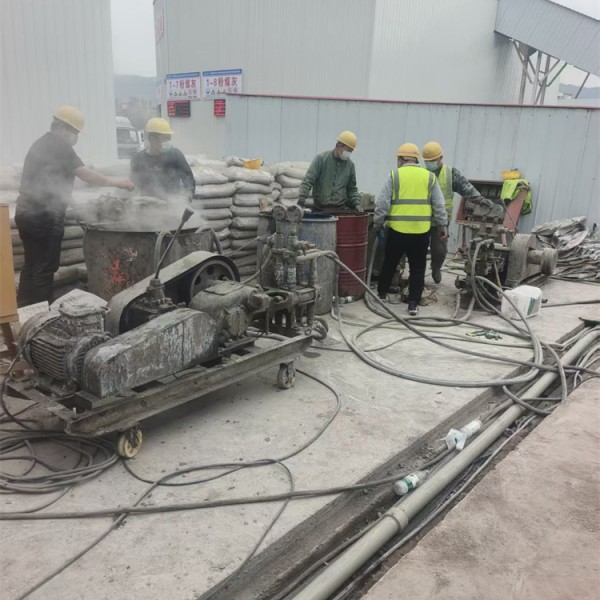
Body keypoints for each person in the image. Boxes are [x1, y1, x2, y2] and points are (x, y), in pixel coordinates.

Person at [15, 105, 134, 306]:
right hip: (44, 217)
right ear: (63, 129)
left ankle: (24, 308)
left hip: (26, 213)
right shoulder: (61, 147)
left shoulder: (40, 144)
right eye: (75, 132)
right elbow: (85, 174)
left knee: (31, 264)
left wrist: (72, 201)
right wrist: (117, 182)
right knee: (45, 268)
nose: (76, 137)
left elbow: (49, 181)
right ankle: (41, 313)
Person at [374, 143, 447, 316]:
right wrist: (442, 225)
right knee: (418, 268)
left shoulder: (395, 175)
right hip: (420, 232)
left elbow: (382, 203)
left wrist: (378, 223)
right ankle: (413, 303)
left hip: (397, 230)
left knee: (390, 263)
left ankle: (382, 295)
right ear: (416, 159)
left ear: (401, 159)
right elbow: (439, 204)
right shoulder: (429, 177)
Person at [421, 141, 481, 283]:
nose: (430, 163)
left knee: (439, 251)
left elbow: (466, 188)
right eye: (427, 161)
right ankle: (418, 277)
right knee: (418, 251)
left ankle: (436, 268)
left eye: (432, 160)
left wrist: (481, 200)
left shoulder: (450, 173)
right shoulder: (421, 174)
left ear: (441, 158)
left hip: (440, 222)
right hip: (421, 220)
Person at [130, 117, 195, 202]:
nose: (167, 141)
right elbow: (133, 185)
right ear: (152, 139)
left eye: (168, 138)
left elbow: (188, 179)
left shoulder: (175, 155)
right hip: (147, 206)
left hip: (172, 205)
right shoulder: (138, 159)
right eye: (164, 138)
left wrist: (187, 197)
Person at [297, 131, 362, 212]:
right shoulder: (321, 159)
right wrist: (301, 200)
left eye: (351, 151)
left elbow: (352, 189)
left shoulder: (350, 166)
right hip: (320, 209)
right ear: (339, 146)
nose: (348, 154)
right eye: (347, 150)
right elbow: (308, 180)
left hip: (339, 210)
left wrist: (357, 203)